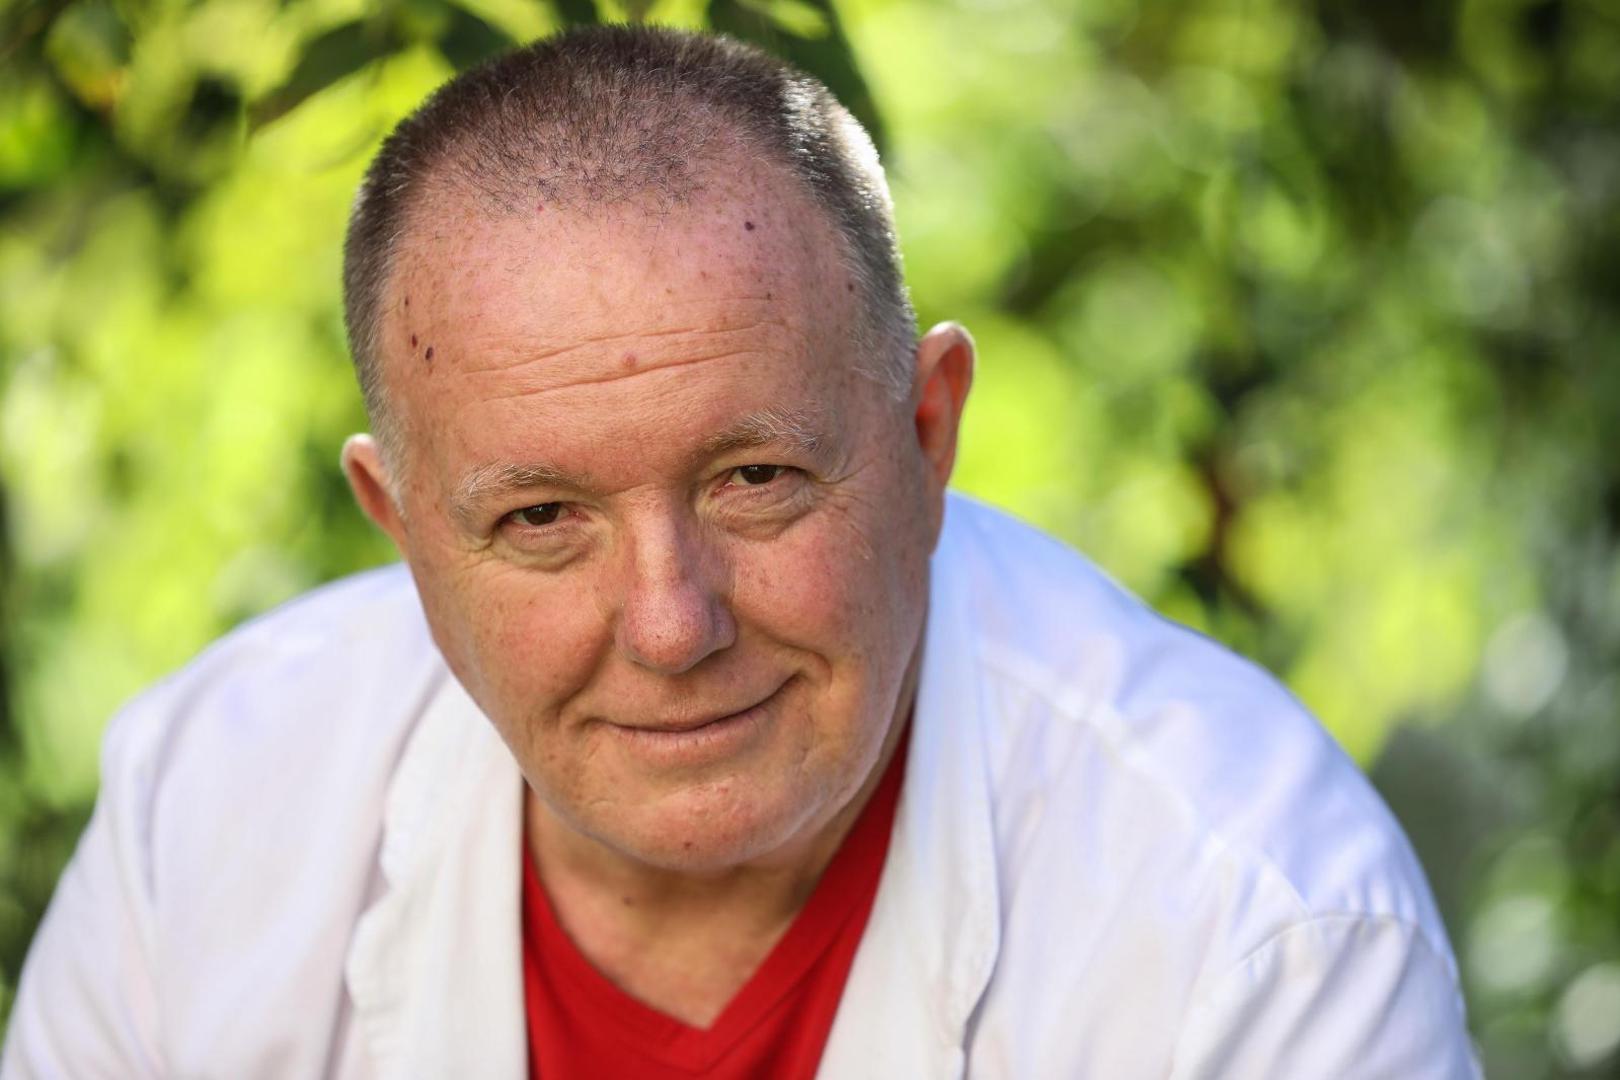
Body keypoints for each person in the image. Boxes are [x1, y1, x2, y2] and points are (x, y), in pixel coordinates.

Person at [2, 25, 1477, 1079]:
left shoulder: (1263, 934)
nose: (669, 623)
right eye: (540, 519)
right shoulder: (205, 815)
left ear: (927, 433)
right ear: (402, 529)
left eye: (756, 479)